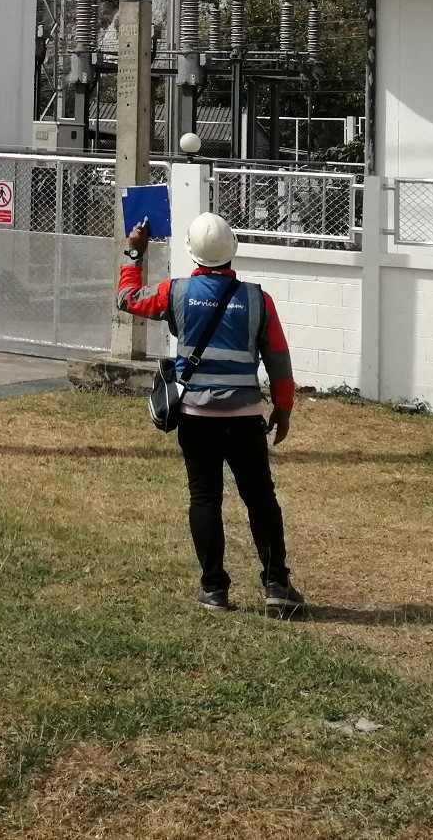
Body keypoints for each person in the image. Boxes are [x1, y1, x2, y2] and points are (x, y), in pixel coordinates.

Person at [118, 211, 307, 615]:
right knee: (260, 498)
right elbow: (278, 359)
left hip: (196, 417)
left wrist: (134, 254)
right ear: (232, 249)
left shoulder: (176, 292)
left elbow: (128, 299)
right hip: (245, 419)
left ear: (192, 253)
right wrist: (284, 408)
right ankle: (277, 584)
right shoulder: (258, 300)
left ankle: (214, 590)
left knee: (205, 497)